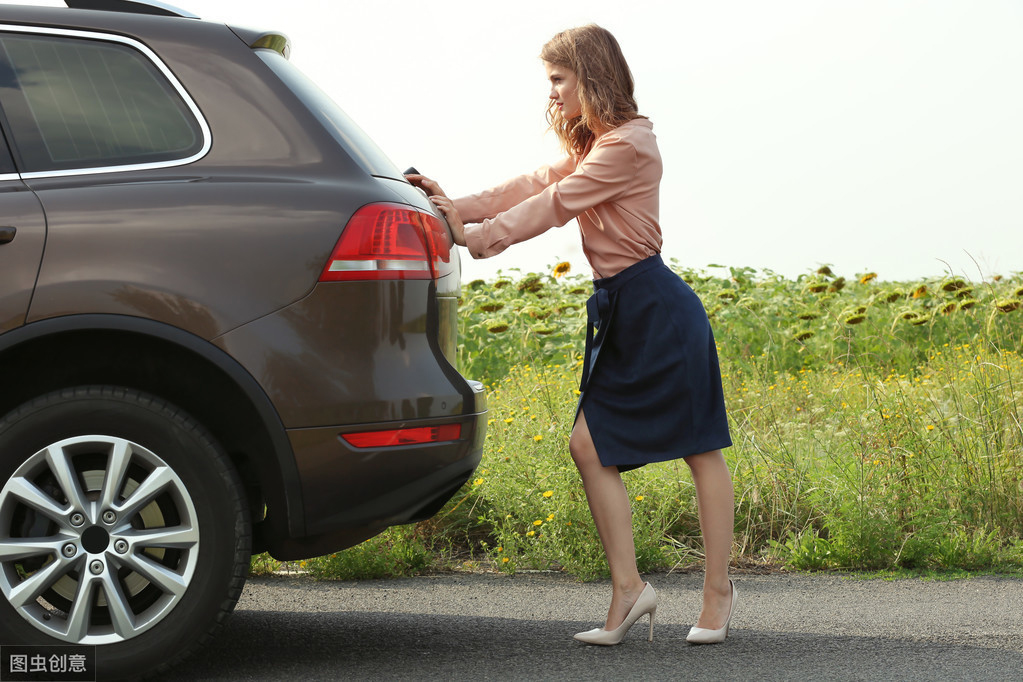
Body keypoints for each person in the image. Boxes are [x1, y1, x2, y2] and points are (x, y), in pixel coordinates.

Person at [406, 24, 736, 646]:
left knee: (699, 447)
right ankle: (630, 590)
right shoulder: (597, 143)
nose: (552, 94)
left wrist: (472, 238)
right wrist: (453, 205)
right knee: (589, 446)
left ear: (592, 76)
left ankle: (718, 592)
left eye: (559, 79)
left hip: (657, 308)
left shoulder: (630, 146)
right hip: (620, 310)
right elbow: (531, 185)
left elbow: (554, 203)